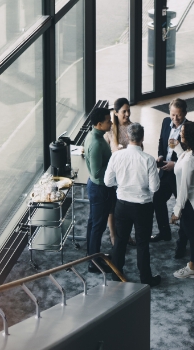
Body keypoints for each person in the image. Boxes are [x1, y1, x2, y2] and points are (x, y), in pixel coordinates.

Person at [104, 123, 161, 287]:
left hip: (122, 205)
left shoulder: (116, 156)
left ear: (128, 137)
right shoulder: (149, 160)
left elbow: (108, 182)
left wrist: (122, 184)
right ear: (142, 138)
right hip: (143, 206)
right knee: (142, 243)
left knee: (120, 240)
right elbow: (154, 188)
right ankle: (145, 278)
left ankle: (117, 275)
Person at [169, 121, 194, 278]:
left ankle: (192, 267)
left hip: (189, 203)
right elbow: (184, 160)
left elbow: (183, 189)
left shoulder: (189, 160)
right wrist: (178, 147)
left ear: (190, 137)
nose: (180, 133)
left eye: (183, 132)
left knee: (192, 234)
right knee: (192, 231)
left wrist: (176, 212)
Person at [151, 98, 188, 246]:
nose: (175, 118)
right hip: (165, 172)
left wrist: (176, 164)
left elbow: (191, 155)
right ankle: (164, 232)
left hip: (180, 175)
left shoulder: (189, 128)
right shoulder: (166, 122)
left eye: (178, 115)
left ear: (185, 113)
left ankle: (183, 239)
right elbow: (161, 141)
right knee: (157, 200)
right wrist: (160, 155)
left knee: (183, 207)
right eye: (172, 115)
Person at [84, 107, 115, 273]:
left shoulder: (92, 136)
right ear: (99, 124)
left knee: (92, 223)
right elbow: (96, 172)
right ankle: (94, 263)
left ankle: (91, 255)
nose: (110, 122)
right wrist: (114, 166)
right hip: (100, 188)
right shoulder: (96, 143)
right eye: (108, 120)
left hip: (96, 186)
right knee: (98, 226)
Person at [104, 97, 136, 247]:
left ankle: (126, 233)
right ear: (116, 113)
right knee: (112, 206)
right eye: (124, 111)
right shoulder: (110, 131)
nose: (127, 114)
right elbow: (105, 152)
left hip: (129, 174)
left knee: (127, 205)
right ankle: (113, 234)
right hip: (115, 174)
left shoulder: (133, 128)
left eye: (129, 110)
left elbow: (140, 149)